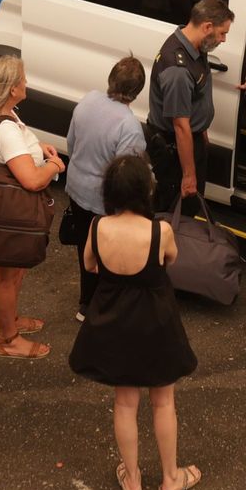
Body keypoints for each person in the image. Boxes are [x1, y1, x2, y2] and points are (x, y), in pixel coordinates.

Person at [69, 154, 201, 490]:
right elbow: (170, 259)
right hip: (156, 322)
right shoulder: (161, 231)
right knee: (163, 402)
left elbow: (89, 264)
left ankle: (132, 480)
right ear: (146, 190)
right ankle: (171, 478)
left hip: (115, 321)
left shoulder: (98, 227)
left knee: (125, 403)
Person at [0, 56, 66, 359]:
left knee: (13, 271)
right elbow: (32, 180)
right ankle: (9, 339)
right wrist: (52, 165)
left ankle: (8, 321)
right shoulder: (4, 127)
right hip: (7, 212)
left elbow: (11, 149)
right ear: (11, 89)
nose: (26, 83)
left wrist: (36, 147)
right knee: (6, 276)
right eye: (22, 79)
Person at [61, 56, 148, 321]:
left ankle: (86, 303)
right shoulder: (129, 126)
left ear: (111, 79)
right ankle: (104, 308)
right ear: (137, 91)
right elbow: (123, 177)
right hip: (103, 202)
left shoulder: (88, 100)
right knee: (108, 253)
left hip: (77, 188)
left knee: (83, 249)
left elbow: (71, 143)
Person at [146, 0, 234, 213]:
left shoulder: (194, 46)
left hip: (188, 141)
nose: (223, 39)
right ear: (207, 27)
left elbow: (197, 98)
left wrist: (202, 132)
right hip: (174, 149)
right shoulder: (178, 70)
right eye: (223, 33)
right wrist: (189, 176)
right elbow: (180, 126)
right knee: (175, 212)